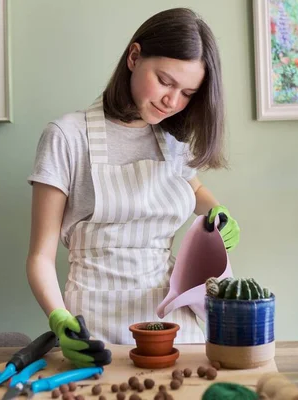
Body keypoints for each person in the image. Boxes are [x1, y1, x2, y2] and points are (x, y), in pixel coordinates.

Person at [26, 7, 240, 367]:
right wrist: (59, 319)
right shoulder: (67, 137)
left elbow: (194, 190)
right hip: (97, 325)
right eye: (165, 81)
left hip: (174, 323)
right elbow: (39, 258)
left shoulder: (172, 140)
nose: (173, 101)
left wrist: (216, 209)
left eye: (188, 92)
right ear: (134, 56)